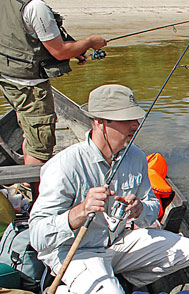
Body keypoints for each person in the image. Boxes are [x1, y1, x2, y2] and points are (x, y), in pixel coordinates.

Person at [29, 84, 189, 294]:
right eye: (125, 120)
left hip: (119, 242)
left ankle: (118, 281)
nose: (135, 126)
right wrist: (80, 211)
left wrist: (140, 209)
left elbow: (152, 205)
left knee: (188, 251)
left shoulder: (136, 157)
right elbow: (38, 236)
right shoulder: (64, 166)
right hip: (77, 251)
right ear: (99, 122)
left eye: (135, 119)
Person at [0, 0, 107, 198]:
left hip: (8, 77)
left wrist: (75, 50)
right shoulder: (35, 7)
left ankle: (27, 183)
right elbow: (59, 51)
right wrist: (91, 42)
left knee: (30, 132)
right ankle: (37, 200)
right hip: (30, 85)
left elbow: (26, 38)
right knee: (40, 146)